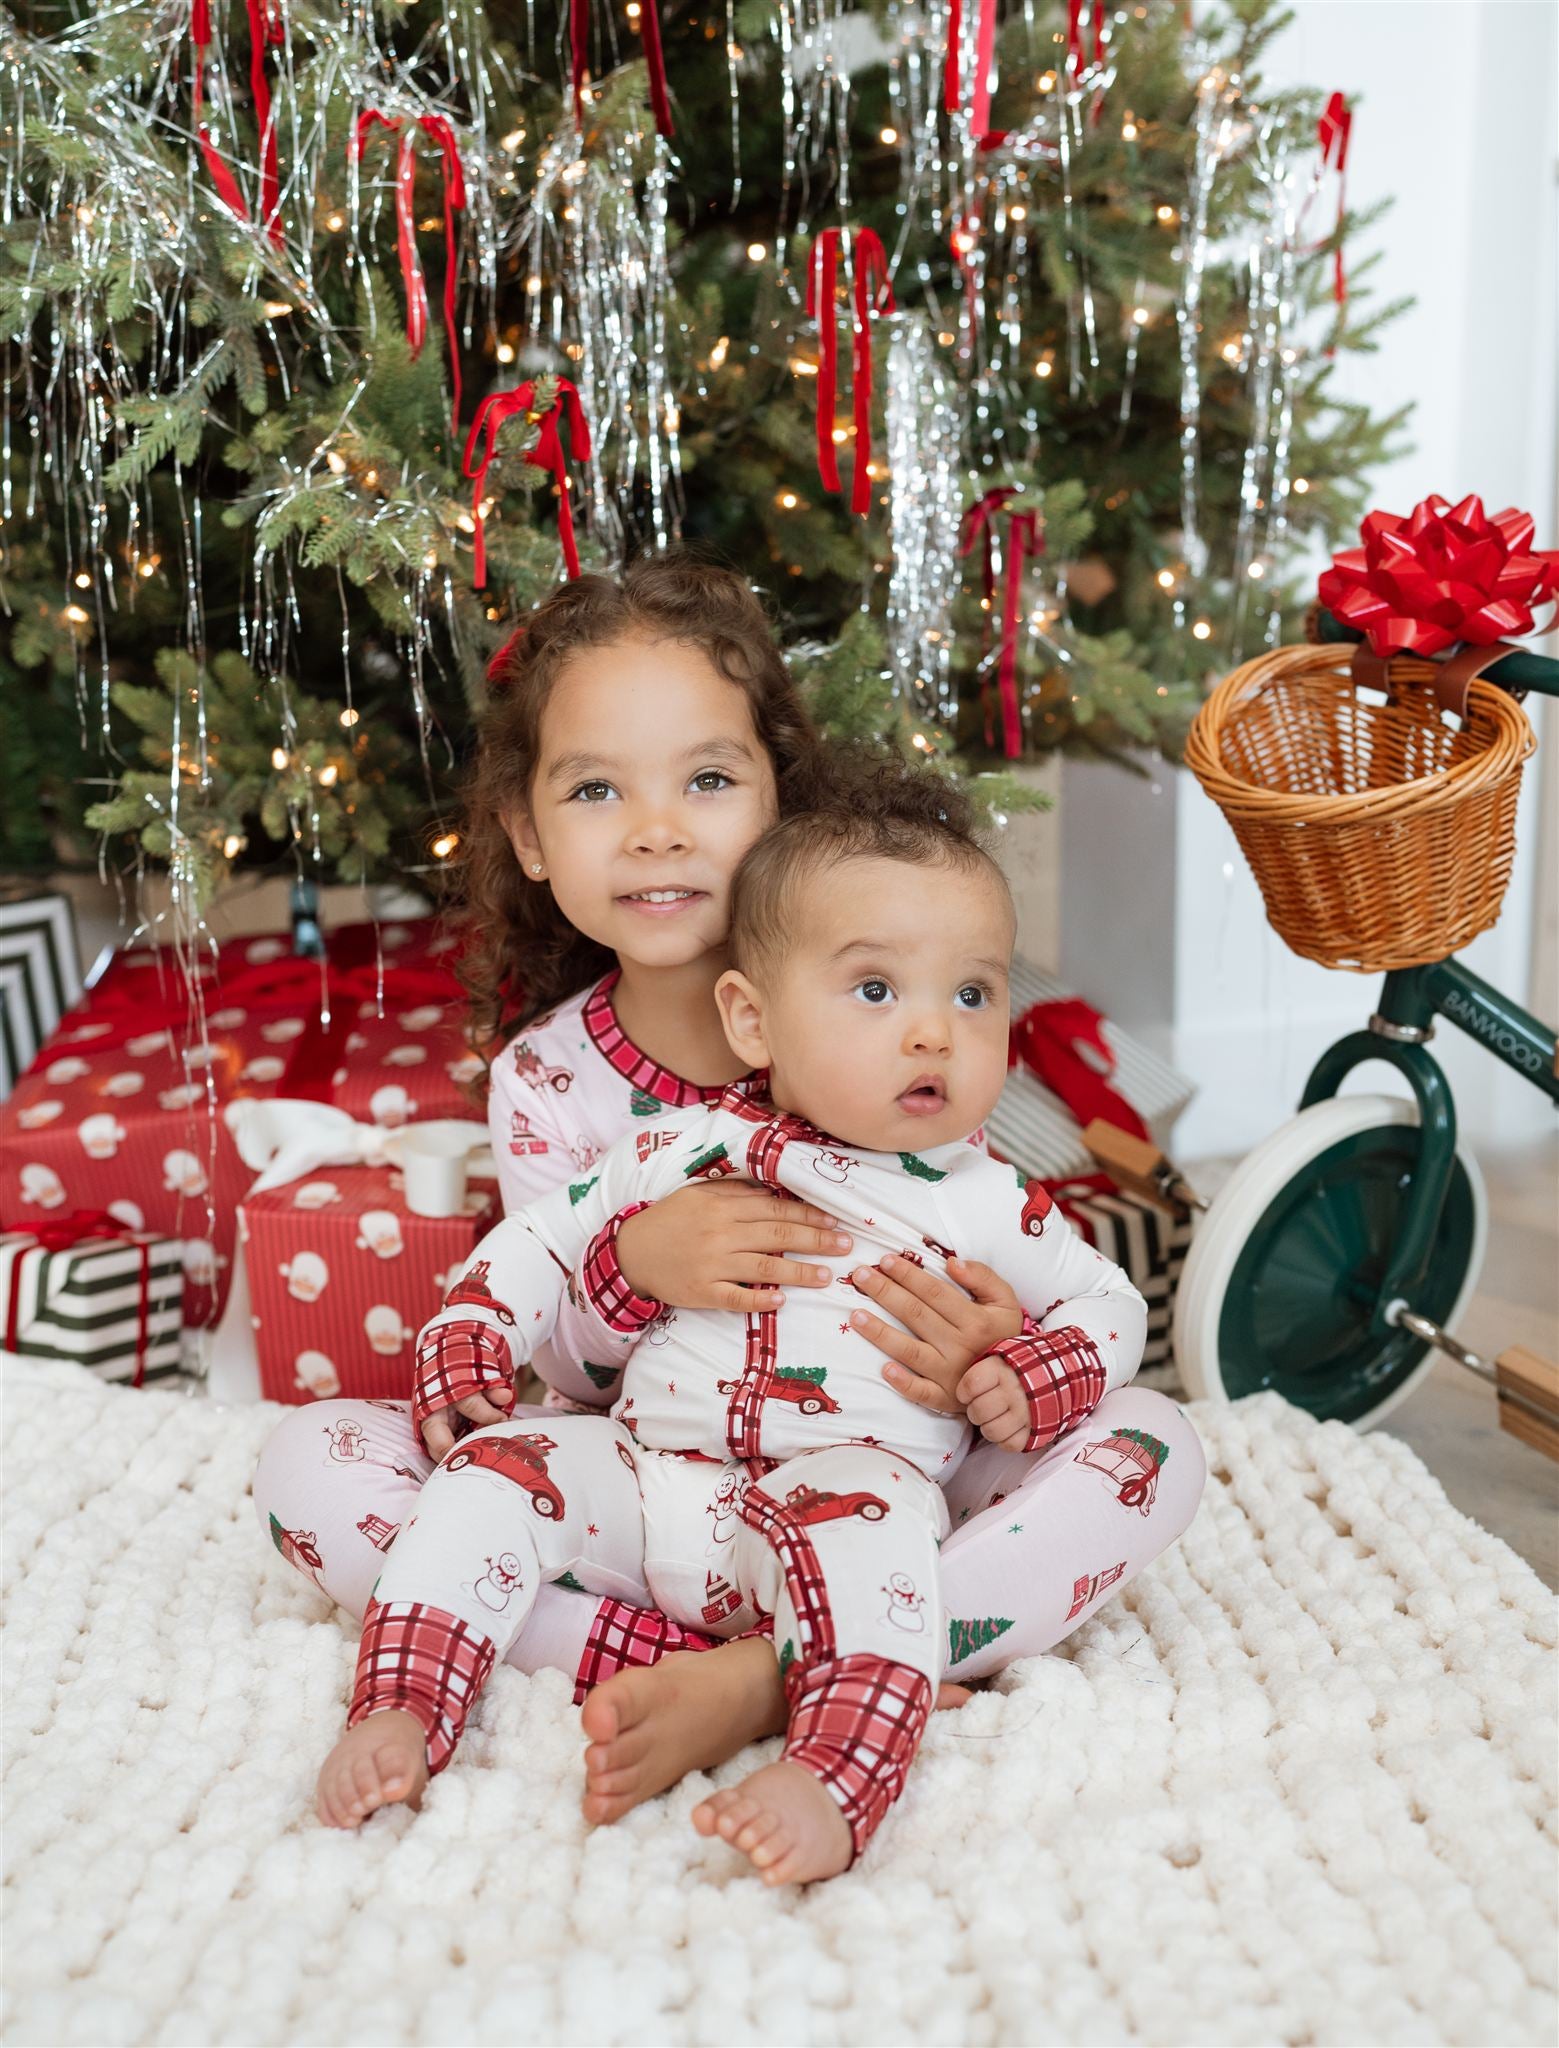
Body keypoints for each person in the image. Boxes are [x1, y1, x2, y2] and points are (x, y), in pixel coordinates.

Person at [255, 552, 1202, 1829]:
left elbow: (1048, 1285)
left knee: (1153, 1449)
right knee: (312, 1460)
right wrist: (633, 1267)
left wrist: (1008, 1360)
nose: (657, 828)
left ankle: (782, 1675)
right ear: (531, 836)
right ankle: (751, 1669)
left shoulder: (904, 1025)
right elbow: (560, 1375)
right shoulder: (551, 1079)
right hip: (648, 1482)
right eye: (598, 789)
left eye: (706, 779)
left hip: (883, 1478)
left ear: (777, 802)